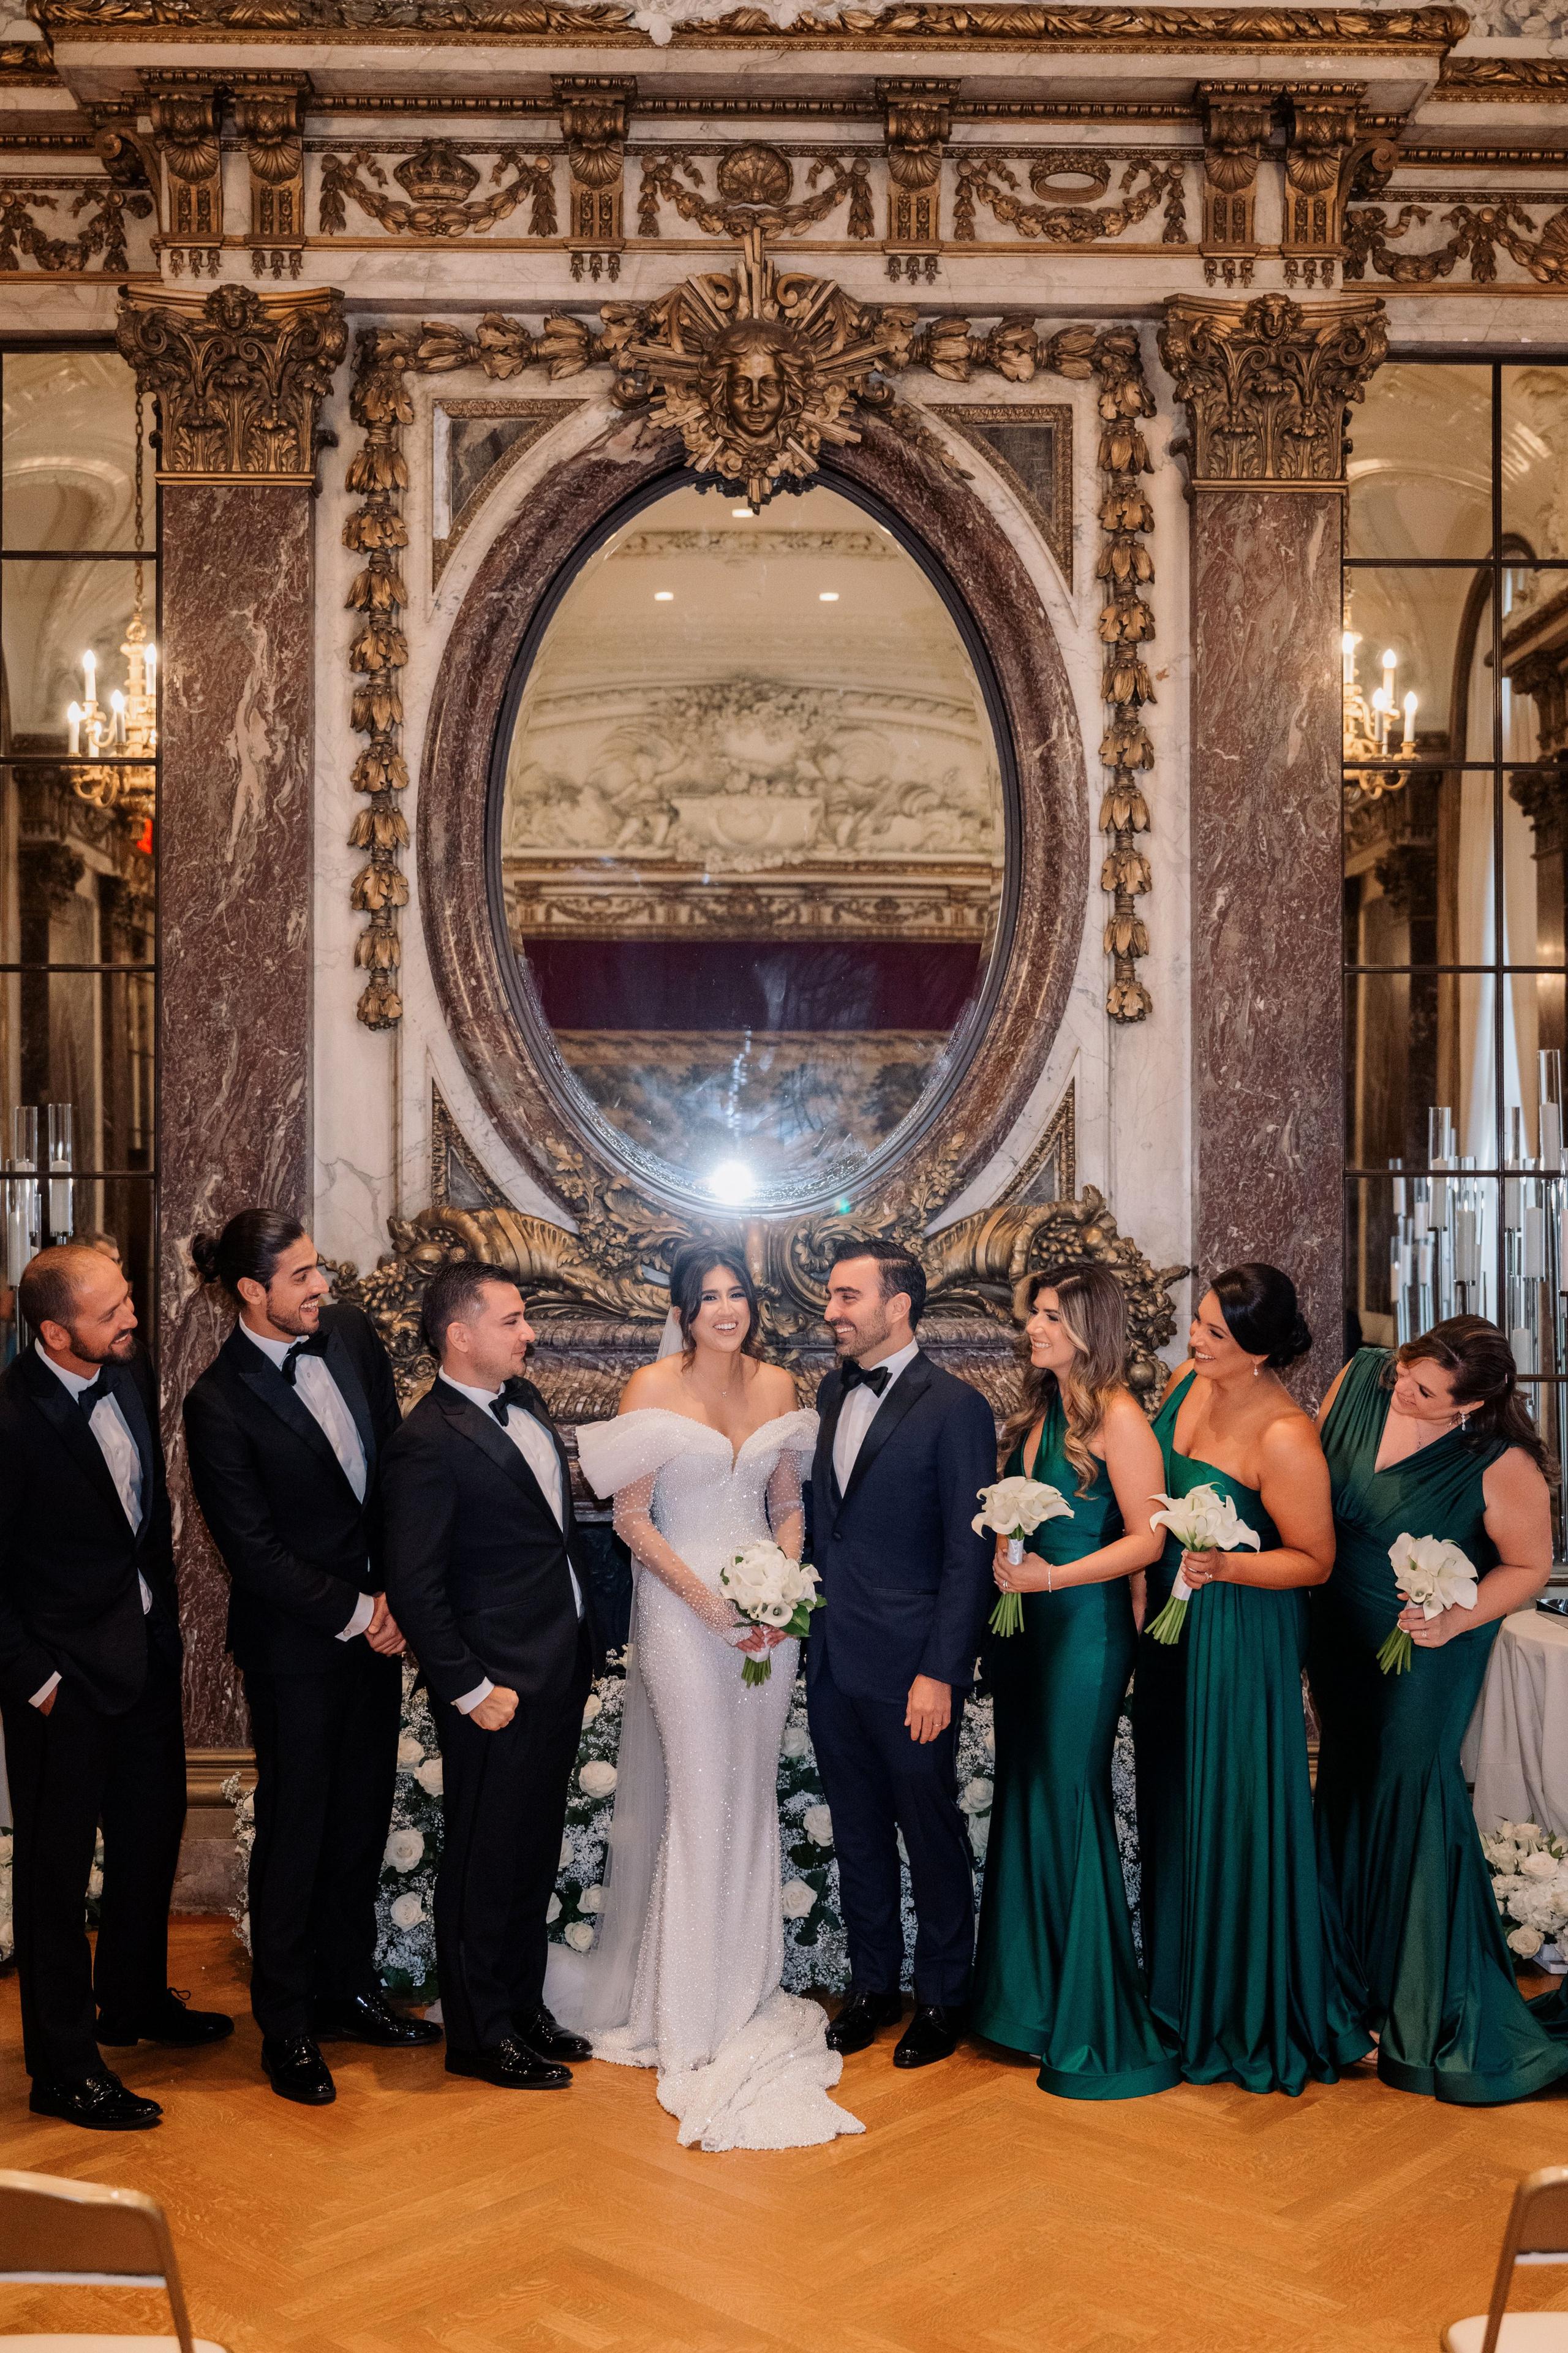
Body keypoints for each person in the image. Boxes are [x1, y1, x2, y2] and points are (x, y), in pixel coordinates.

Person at [567, 1242, 861, 2151]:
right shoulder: (652, 1389)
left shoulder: (779, 1387)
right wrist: (711, 1603)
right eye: (708, 1297)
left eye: (737, 1294)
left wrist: (782, 1579)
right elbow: (630, 1519)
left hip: (766, 1618)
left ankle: (747, 1989)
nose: (725, 1308)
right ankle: (687, 2016)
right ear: (684, 1311)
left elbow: (785, 1499)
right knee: (702, 1803)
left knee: (751, 1799)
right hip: (681, 1614)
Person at [183, 1209, 436, 2106]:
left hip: (381, 1629)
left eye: (317, 1267)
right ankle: (285, 2025)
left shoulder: (354, 1337)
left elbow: (396, 1467)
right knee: (297, 1827)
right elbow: (250, 1550)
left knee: (362, 1815)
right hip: (297, 1647)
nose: (321, 1286)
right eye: (300, 1276)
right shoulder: (215, 1402)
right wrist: (360, 1609)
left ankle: (347, 1990)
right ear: (251, 1292)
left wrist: (402, 1590)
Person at [0, 1244, 230, 2132]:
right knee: (56, 1878)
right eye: (111, 1310)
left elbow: (141, 1530)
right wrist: (39, 1678)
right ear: (55, 1331)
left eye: (128, 1299)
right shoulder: (12, 1420)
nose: (131, 1317)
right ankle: (63, 2068)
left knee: (151, 1831)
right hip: (62, 1684)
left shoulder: (124, 1379)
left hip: (140, 1663)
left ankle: (131, 2002)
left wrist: (161, 1637)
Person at [1313, 1319, 1568, 2102]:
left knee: (1411, 1790)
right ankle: (1349, 1988)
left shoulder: (1500, 1462)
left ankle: (1428, 2003)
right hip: (1337, 1636)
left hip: (1428, 1645)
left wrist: (1454, 1617)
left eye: (1424, 1392)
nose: (1401, 1389)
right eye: (1404, 1372)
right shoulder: (1358, 1379)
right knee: (1348, 1784)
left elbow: (1528, 1565)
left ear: (1473, 1402)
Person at [1131, 1264, 1370, 2094]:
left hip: (1239, 1636)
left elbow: (1315, 1560)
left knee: (1232, 1807)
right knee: (1174, 1799)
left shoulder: (1285, 1436)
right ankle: (1179, 1988)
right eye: (1197, 1322)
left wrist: (1228, 1566)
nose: (1193, 1340)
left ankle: (1248, 1999)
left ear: (1260, 1350)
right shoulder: (1184, 1384)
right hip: (1170, 1627)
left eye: (1214, 1334)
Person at [382, 1263, 594, 2093]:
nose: (527, 1332)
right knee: (482, 1857)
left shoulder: (528, 1404)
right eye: (511, 1320)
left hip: (557, 1664)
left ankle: (520, 2004)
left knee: (531, 1848)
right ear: (459, 1335)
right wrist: (470, 1688)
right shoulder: (425, 1441)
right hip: (494, 1687)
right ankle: (477, 2033)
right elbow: (416, 1583)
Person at [970, 1266, 1178, 2099]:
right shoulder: (1045, 1407)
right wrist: (1007, 1551)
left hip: (1084, 1631)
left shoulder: (1120, 1417)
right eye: (1035, 1316)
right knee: (1027, 1791)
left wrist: (1051, 1582)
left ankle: (1083, 2005)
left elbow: (1150, 1541)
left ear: (1092, 1325)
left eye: (1051, 1317)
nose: (1035, 1329)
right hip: (1027, 1627)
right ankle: (1028, 2002)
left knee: (1066, 1793)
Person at [807, 1237, 996, 2069]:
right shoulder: (828, 1390)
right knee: (857, 1834)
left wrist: (940, 1671)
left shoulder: (955, 1407)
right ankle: (873, 1987)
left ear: (898, 1305)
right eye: (832, 1297)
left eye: (849, 1296)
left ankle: (944, 1995)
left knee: (930, 1833)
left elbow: (968, 1556)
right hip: (835, 1659)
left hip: (913, 1668)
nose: (832, 1311)